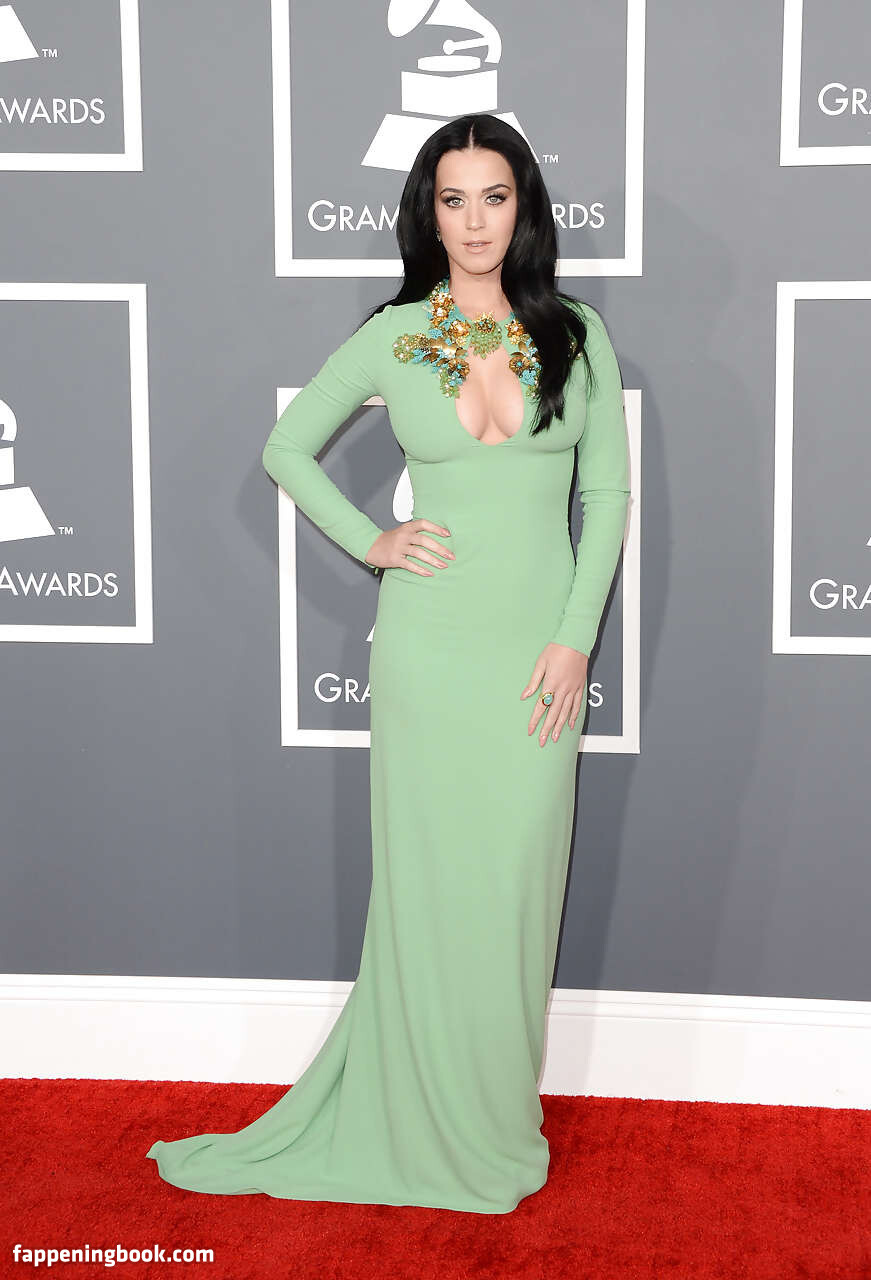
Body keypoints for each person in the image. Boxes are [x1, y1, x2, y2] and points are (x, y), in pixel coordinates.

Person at [146, 112, 631, 1214]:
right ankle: (411, 1116)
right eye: (454, 200)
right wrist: (373, 539)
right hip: (428, 650)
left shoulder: (577, 335)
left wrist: (574, 636)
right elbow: (285, 448)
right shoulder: (393, 334)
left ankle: (491, 1117)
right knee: (426, 886)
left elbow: (604, 494)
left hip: (536, 653)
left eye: (495, 197)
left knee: (512, 890)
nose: (475, 221)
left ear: (523, 208)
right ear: (428, 214)